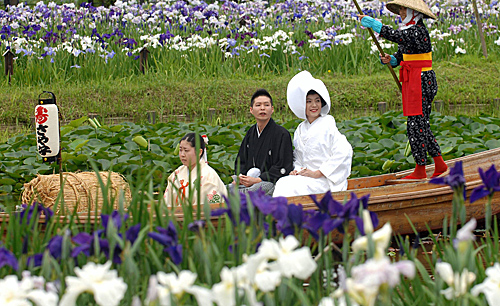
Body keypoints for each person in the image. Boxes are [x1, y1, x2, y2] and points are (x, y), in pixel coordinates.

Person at [358, 0, 448, 179]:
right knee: (420, 123)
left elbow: (397, 36)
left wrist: (375, 25)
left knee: (415, 124)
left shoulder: (418, 31)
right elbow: (401, 55)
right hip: (412, 79)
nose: (400, 12)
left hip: (421, 81)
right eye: (400, 9)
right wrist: (391, 59)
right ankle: (439, 163)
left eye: (403, 9)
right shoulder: (409, 31)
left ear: (414, 12)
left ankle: (420, 169)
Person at [273, 71, 353, 197]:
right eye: (309, 101)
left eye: (317, 100)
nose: (314, 105)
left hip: (325, 181)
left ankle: (283, 215)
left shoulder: (328, 124)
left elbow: (344, 152)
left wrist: (319, 172)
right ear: (302, 105)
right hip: (306, 178)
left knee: (288, 186)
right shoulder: (300, 129)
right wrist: (297, 171)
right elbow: (298, 158)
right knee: (283, 182)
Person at [233, 89, 294, 195]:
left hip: (270, 182)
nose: (262, 108)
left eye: (266, 105)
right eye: (258, 105)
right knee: (222, 190)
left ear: (272, 109)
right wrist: (241, 177)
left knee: (249, 192)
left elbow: (283, 166)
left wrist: (259, 179)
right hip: (249, 181)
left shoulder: (282, 134)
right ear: (251, 110)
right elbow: (241, 161)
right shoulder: (250, 133)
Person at [164, 133, 227, 206]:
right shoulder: (177, 173)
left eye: (186, 150)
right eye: (180, 150)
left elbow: (206, 207)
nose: (182, 154)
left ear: (199, 152)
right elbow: (167, 203)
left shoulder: (209, 176)